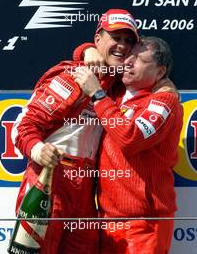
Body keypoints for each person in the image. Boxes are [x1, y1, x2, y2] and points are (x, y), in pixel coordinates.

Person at [11, 9, 140, 254]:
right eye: (116, 37)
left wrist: (85, 49)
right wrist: (40, 151)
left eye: (128, 40)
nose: (122, 46)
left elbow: (151, 61)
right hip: (50, 181)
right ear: (98, 39)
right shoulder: (74, 76)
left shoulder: (118, 87)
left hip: (86, 192)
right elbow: (23, 126)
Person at [73, 36, 183, 254]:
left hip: (143, 224)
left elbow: (130, 138)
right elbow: (80, 55)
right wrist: (87, 51)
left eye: (140, 59)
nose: (128, 62)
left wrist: (97, 94)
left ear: (160, 72)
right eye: (128, 56)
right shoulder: (115, 93)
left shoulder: (165, 101)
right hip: (105, 220)